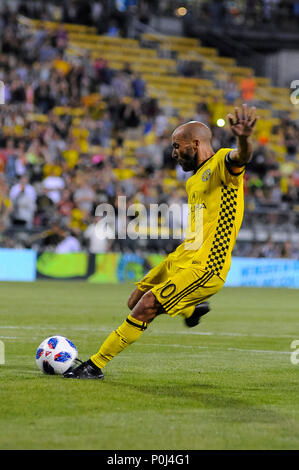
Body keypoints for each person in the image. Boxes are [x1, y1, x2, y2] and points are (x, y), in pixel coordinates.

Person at [64, 104, 258, 380]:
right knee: (134, 300)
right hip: (184, 255)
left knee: (147, 305)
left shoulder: (223, 165)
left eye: (178, 147)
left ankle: (94, 365)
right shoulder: (193, 181)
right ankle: (192, 309)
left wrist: (244, 137)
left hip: (207, 265)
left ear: (196, 143)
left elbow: (242, 156)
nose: (174, 153)